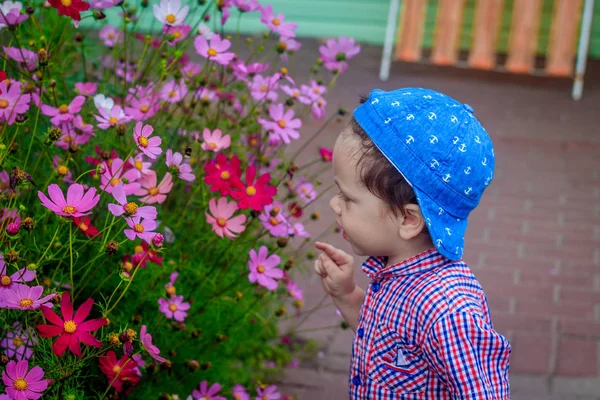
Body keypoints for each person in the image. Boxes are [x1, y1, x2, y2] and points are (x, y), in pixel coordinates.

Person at [314, 88, 511, 399]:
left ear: (408, 220)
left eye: (348, 199)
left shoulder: (447, 311)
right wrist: (348, 295)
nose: (334, 205)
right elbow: (385, 352)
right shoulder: (398, 270)